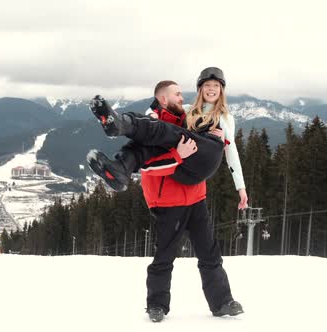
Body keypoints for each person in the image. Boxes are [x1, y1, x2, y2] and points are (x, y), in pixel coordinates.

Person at [88, 68, 246, 322]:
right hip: (169, 201)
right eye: (177, 94)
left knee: (210, 253)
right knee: (165, 256)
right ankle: (157, 305)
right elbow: (148, 167)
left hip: (195, 195)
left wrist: (239, 184)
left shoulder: (186, 117)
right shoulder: (155, 119)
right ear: (164, 99)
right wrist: (176, 156)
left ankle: (222, 302)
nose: (182, 98)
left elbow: (228, 148)